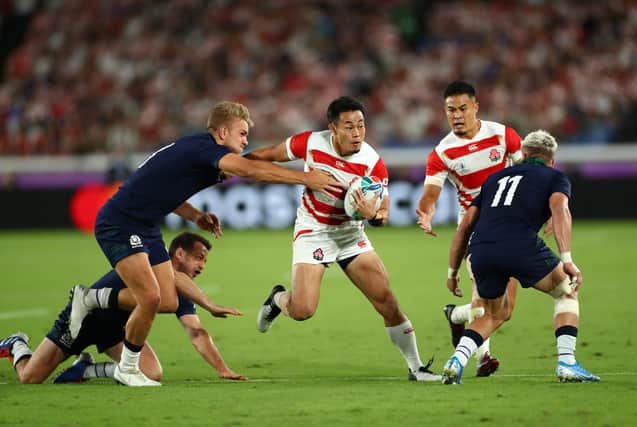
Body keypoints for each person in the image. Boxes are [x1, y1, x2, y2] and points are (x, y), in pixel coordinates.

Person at [67, 101, 344, 386]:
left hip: (145, 224)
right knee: (150, 297)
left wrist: (195, 215)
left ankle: (90, 298)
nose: (246, 140)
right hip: (120, 222)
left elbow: (163, 189)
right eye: (242, 133)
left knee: (167, 300)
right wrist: (306, 178)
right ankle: (127, 367)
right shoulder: (207, 150)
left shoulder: (200, 153)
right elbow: (251, 171)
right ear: (223, 132)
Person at [250, 96, 440, 381]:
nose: (357, 133)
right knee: (302, 311)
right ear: (333, 128)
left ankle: (416, 368)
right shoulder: (310, 143)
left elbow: (383, 214)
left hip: (351, 235)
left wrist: (371, 214)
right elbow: (267, 155)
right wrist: (237, 164)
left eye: (361, 126)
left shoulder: (372, 163)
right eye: (349, 126)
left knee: (386, 300)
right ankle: (278, 300)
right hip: (313, 231)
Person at [440, 130, 600, 384]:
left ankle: (455, 360)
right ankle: (567, 363)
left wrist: (452, 272)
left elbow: (465, 225)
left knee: (492, 314)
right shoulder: (555, 177)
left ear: (523, 155)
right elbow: (560, 209)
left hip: (481, 248)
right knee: (566, 290)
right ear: (552, 160)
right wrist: (566, 258)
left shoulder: (495, 178)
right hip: (518, 243)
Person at [0, 232, 247, 384]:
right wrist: (209, 304)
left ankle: (87, 370)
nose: (203, 266)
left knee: (152, 374)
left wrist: (222, 369)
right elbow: (172, 276)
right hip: (84, 319)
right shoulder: (148, 264)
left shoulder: (182, 289)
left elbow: (196, 332)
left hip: (116, 331)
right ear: (180, 253)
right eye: (199, 257)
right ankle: (16, 344)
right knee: (30, 377)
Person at [416, 81, 523, 377]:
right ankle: (480, 358)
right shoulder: (442, 153)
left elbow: (529, 174)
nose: (457, 115)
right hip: (477, 231)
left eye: (463, 108)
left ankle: (455, 314)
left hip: (513, 228)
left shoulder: (503, 135)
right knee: (487, 299)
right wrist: (426, 211)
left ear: (476, 107)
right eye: (451, 110)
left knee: (502, 310)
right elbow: (430, 194)